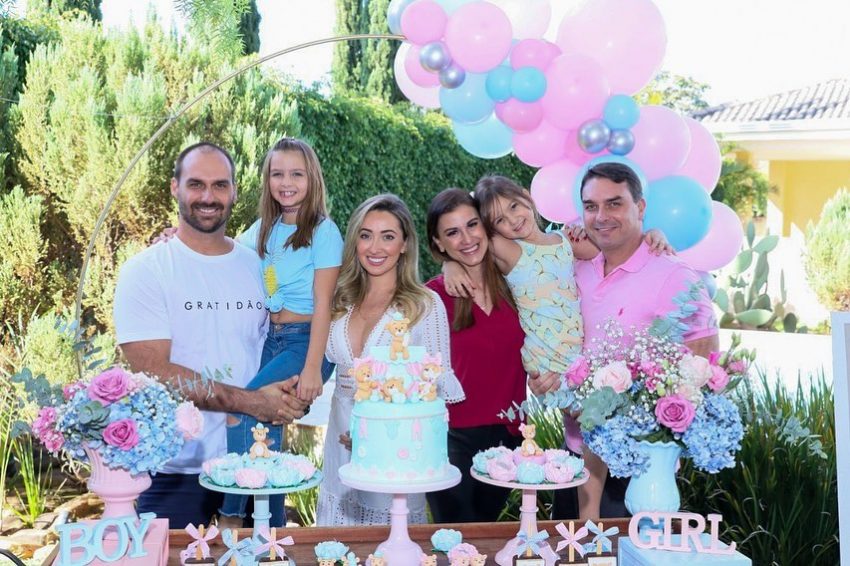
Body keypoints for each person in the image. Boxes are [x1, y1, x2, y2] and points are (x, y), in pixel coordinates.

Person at [114, 142, 309, 528]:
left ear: (234, 191)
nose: (208, 197)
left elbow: (289, 336)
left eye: (220, 185)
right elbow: (156, 371)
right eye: (196, 184)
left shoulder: (259, 265)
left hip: (256, 464)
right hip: (176, 471)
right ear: (175, 187)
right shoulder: (145, 271)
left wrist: (292, 395)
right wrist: (253, 402)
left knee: (264, 557)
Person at [529, 162, 719, 519]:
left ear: (640, 207)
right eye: (591, 206)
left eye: (614, 203)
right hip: (574, 459)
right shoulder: (575, 269)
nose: (601, 216)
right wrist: (545, 379)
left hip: (640, 469)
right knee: (566, 549)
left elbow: (703, 372)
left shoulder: (676, 277)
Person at [316, 194, 465, 526]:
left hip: (395, 455)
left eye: (388, 236)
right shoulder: (340, 300)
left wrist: (377, 436)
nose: (375, 247)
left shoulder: (425, 305)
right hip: (339, 443)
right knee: (336, 544)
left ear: (404, 244)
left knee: (391, 541)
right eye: (365, 235)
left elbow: (435, 393)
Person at [218, 137, 343, 529]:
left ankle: (230, 516)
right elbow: (223, 254)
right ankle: (271, 532)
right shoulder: (264, 229)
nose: (286, 182)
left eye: (296, 174)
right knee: (266, 434)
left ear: (312, 179)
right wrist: (179, 239)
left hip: (306, 343)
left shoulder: (324, 232)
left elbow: (324, 303)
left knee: (243, 408)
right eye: (277, 174)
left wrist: (312, 369)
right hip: (272, 341)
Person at [423, 188, 527, 523]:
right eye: (452, 232)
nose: (467, 239)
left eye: (472, 225)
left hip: (508, 435)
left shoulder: (518, 284)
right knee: (457, 535)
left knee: (484, 531)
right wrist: (449, 267)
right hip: (450, 438)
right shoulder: (432, 298)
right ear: (439, 243)